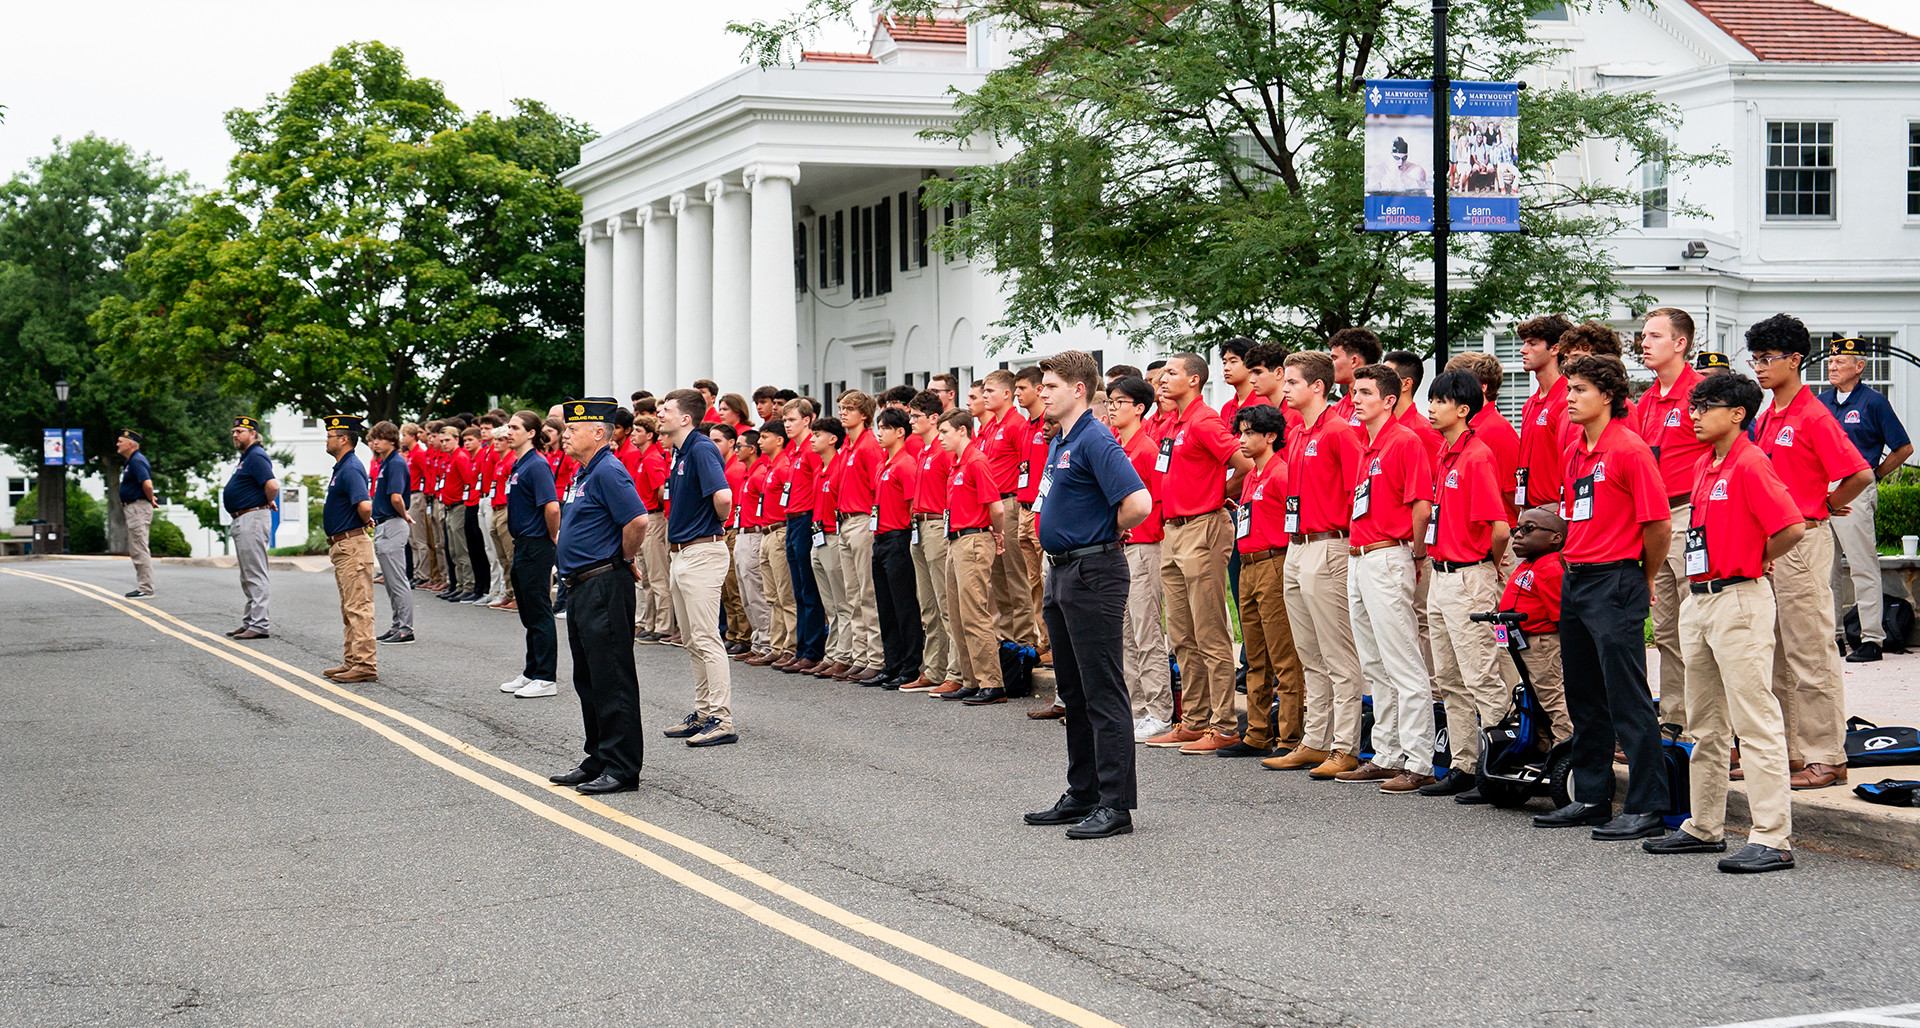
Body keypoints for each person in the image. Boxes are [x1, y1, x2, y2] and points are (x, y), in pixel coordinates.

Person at [1643, 372, 1806, 874]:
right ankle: (1704, 825)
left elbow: (1792, 526)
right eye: (1692, 406)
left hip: (1739, 599)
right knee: (1705, 723)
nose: (1693, 415)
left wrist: (1755, 557)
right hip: (1702, 599)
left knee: (1754, 721)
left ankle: (1772, 836)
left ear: (1737, 413)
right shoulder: (1704, 464)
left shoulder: (1752, 463)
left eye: (1705, 406)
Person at [1532, 355, 1672, 841]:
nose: (1569, 398)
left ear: (1608, 396)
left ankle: (1647, 805)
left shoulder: (1630, 450)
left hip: (1615, 579)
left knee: (1627, 696)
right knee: (1584, 695)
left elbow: (1658, 525)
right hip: (1576, 578)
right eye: (1568, 389)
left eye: (1580, 390)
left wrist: (1644, 576)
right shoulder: (1575, 448)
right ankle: (1591, 797)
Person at [1022, 350, 1152, 840]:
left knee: (1102, 689)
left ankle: (1115, 805)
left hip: (1093, 570)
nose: (1043, 393)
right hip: (1062, 573)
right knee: (1073, 690)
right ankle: (1084, 791)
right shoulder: (1064, 439)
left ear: (1078, 390)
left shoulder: (1096, 437)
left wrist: (1098, 532)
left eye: (1050, 386)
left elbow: (1138, 502)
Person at [1748, 314, 1873, 790]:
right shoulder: (1768, 415)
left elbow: (1859, 473)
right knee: (1777, 650)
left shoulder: (1813, 414)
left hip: (1802, 539)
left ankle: (1828, 754)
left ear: (1795, 360)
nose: (1759, 368)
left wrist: (1824, 505)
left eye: (1767, 359)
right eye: (1755, 359)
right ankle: (1793, 750)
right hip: (1773, 541)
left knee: (1810, 648)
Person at [1143, 352, 1252, 754]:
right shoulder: (1173, 422)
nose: (1163, 379)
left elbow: (1245, 463)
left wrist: (1218, 494)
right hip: (1173, 530)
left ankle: (1223, 725)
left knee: (1210, 632)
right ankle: (1194, 719)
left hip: (1202, 527)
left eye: (1171, 373)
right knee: (1182, 634)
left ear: (1193, 380)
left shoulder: (1205, 420)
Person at [1266, 352, 1366, 775]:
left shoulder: (1340, 431)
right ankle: (1316, 738)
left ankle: (1346, 745)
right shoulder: (1300, 433)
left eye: (1291, 382)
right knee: (1310, 652)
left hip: (1329, 543)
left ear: (1317, 387)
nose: (1284, 389)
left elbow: (1355, 492)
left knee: (1338, 652)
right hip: (1298, 544)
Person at [1339, 364, 1437, 793]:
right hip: (1359, 557)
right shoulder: (1366, 445)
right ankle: (1387, 752)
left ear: (1389, 399)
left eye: (1364, 392)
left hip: (1386, 554)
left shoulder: (1404, 442)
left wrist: (1414, 555)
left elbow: (1421, 506)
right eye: (1354, 391)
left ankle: (1419, 759)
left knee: (1402, 661)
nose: (1355, 398)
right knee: (1374, 662)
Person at [547, 398, 650, 795]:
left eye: (573, 428)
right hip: (581, 586)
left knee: (612, 676)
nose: (566, 433)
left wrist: (623, 558)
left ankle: (623, 767)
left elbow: (638, 519)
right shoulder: (584, 472)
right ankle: (600, 756)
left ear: (598, 433)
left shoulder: (608, 470)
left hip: (603, 582)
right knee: (588, 677)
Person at [1419, 370, 1511, 798]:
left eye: (1439, 402)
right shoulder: (1444, 453)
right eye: (1431, 400)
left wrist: (1485, 570)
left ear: (1463, 409)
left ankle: (1495, 767)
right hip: (1441, 575)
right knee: (1450, 678)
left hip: (1470, 574)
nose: (1431, 408)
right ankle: (1463, 763)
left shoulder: (1477, 455)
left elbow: (1499, 527)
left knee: (1481, 675)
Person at [1626, 307, 1710, 732]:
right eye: (1644, 335)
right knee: (1666, 628)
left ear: (1681, 343)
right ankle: (1675, 717)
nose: (1644, 343)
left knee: (1695, 626)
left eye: (1655, 336)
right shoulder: (1646, 401)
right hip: (1656, 519)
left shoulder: (1703, 394)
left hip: (1691, 514)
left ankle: (1705, 721)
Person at [1820, 336, 1913, 663]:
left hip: (1856, 485)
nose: (1832, 367)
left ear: (1859, 367)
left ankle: (1872, 638)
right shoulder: (1822, 402)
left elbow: (1904, 447)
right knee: (1824, 569)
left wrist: (1875, 475)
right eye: (1830, 362)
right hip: (1823, 489)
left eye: (1839, 363)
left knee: (1861, 565)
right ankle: (1833, 636)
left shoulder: (1874, 403)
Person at [657, 388, 738, 748]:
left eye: (667, 409)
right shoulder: (679, 451)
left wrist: (715, 524)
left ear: (686, 418)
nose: (659, 414)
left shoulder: (701, 447)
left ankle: (721, 719)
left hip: (702, 551)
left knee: (706, 638)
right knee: (692, 639)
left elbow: (723, 497)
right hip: (683, 554)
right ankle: (704, 712)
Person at [1224, 404, 1303, 760]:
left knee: (1283, 654)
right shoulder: (1253, 475)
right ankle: (1257, 732)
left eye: (1249, 433)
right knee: (1254, 655)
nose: (1241, 440)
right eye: (1239, 432)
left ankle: (1290, 735)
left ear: (1270, 436)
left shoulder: (1282, 473)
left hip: (1274, 562)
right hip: (1249, 563)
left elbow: (1294, 519)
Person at [1107, 376, 1175, 741]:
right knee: (1126, 634)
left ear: (1139, 408)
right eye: (1111, 400)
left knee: (1147, 631)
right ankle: (1135, 708)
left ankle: (1159, 711)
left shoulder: (1148, 449)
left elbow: (1159, 501)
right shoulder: (1118, 445)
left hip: (1146, 547)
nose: (1113, 407)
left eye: (1120, 401)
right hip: (1121, 548)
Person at [932, 410, 1010, 703]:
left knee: (975, 613)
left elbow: (997, 507)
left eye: (945, 432)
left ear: (963, 431)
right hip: (955, 540)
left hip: (974, 539)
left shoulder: (976, 461)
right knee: (957, 613)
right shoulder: (956, 465)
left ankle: (992, 682)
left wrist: (997, 534)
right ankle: (970, 679)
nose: (940, 438)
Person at [1498, 508, 1573, 745]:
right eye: (1517, 529)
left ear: (1555, 538)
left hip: (1542, 642)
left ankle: (1565, 742)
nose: (1518, 535)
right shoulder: (1527, 565)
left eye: (1528, 529)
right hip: (1520, 639)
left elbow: (1562, 616)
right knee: (1532, 695)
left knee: (1550, 694)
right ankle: (1542, 744)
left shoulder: (1550, 568)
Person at [978, 369, 1041, 653]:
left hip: (1011, 502)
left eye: (989, 391)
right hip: (993, 504)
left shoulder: (1016, 424)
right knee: (999, 577)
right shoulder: (992, 427)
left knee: (1016, 574)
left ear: (1005, 394)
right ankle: (1006, 638)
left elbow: (1024, 466)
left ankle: (1025, 639)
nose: (983, 396)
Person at [499, 410, 561, 699]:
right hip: (522, 543)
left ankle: (546, 677)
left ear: (531, 433)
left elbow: (551, 506)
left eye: (514, 427)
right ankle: (531, 671)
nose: (508, 432)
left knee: (538, 611)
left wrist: (551, 536)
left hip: (536, 544)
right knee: (527, 610)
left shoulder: (537, 464)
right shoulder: (520, 464)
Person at [906, 391, 959, 693]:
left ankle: (955, 670)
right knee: (928, 604)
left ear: (934, 418)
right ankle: (934, 667)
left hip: (937, 524)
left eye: (916, 416)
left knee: (945, 602)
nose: (911, 421)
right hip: (919, 524)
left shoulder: (943, 452)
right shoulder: (924, 452)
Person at [319, 415, 378, 683]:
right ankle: (352, 660)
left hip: (352, 545)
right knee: (349, 607)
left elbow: (364, 505)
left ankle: (365, 665)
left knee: (358, 607)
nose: (327, 439)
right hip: (344, 545)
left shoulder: (352, 467)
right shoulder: (342, 466)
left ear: (344, 439)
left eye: (330, 436)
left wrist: (365, 520)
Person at [834, 390, 886, 682]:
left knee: (867, 593)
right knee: (852, 593)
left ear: (863, 415)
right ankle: (860, 653)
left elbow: (876, 486)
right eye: (841, 408)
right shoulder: (847, 447)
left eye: (849, 409)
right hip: (844, 520)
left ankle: (875, 657)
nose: (843, 413)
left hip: (862, 519)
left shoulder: (868, 446)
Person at [871, 407, 924, 687]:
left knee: (904, 604)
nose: (879, 433)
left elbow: (913, 504)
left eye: (885, 428)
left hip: (898, 536)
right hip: (880, 537)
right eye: (878, 428)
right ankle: (891, 662)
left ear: (900, 432)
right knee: (885, 604)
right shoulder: (883, 464)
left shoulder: (906, 464)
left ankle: (910, 664)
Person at [778, 398, 830, 673]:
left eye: (792, 420)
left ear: (807, 421)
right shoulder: (794, 451)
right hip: (791, 518)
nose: (787, 425)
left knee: (809, 590)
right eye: (785, 420)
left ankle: (813, 649)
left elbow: (816, 487)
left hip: (805, 518)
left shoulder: (811, 450)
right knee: (797, 589)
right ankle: (801, 648)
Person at [223, 415, 279, 639]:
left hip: (252, 518)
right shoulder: (247, 457)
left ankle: (259, 624)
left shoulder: (256, 456)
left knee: (255, 573)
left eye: (240, 432)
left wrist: (266, 499)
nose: (235, 435)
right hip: (245, 518)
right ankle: (250, 621)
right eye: (234, 432)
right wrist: (266, 498)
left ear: (253, 434)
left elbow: (272, 484)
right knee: (247, 575)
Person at [1515, 314, 1576, 510]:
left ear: (1555, 348)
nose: (1523, 350)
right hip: (1528, 508)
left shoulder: (1569, 399)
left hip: (1554, 508)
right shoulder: (1530, 403)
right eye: (1524, 343)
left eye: (1532, 343)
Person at [1013, 366, 1052, 665]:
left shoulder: (1049, 425)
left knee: (1045, 576)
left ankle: (1052, 641)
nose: (1017, 394)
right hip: (1023, 508)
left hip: (1043, 510)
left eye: (1022, 388)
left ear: (1039, 390)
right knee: (1031, 581)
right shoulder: (1026, 426)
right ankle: (1042, 638)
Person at [367, 421, 416, 645]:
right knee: (390, 580)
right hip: (385, 523)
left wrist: (403, 514)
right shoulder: (385, 463)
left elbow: (396, 496)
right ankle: (397, 625)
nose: (376, 442)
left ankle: (405, 628)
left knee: (397, 580)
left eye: (382, 437)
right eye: (375, 437)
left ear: (392, 440)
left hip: (393, 523)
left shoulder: (395, 462)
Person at [437, 424, 477, 603]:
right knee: (452, 549)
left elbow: (469, 480)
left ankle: (468, 585)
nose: (444, 444)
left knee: (461, 549)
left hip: (458, 506)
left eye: (448, 440)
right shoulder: (450, 458)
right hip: (449, 506)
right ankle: (459, 584)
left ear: (456, 439)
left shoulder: (460, 458)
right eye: (442, 441)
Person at [116, 429, 157, 599]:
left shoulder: (137, 461)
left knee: (139, 547)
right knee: (137, 548)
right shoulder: (131, 461)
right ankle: (144, 586)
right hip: (134, 507)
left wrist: (150, 498)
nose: (117, 444)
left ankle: (146, 589)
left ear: (131, 444)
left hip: (138, 508)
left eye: (120, 441)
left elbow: (147, 484)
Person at [1328, 328, 1382, 427]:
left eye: (1334, 358)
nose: (1330, 364)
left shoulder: (1379, 406)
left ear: (1354, 361)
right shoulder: (1337, 408)